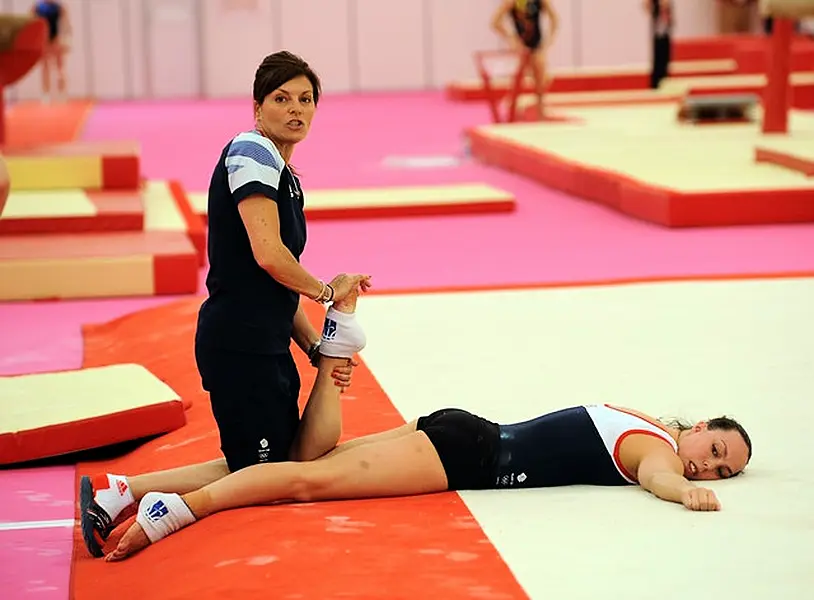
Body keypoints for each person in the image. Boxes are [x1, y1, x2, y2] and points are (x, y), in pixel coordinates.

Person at [79, 293, 753, 562]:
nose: (708, 467)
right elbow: (660, 475)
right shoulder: (653, 447)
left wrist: (684, 479)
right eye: (715, 450)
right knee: (305, 481)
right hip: (466, 456)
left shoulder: (641, 419)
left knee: (287, 460)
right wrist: (683, 493)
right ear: (697, 426)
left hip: (460, 432)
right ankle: (177, 510)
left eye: (721, 470)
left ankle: (124, 487)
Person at [490, 0, 559, 120]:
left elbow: (554, 19)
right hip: (521, 46)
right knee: (519, 79)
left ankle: (540, 110)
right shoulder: (511, 2)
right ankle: (511, 106)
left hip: (536, 46)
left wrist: (548, 42)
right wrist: (512, 40)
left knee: (542, 78)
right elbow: (495, 22)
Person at [32, 0, 71, 103]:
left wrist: (67, 40)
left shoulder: (59, 7)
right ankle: (46, 93)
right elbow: (31, 23)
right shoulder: (38, 7)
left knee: (60, 67)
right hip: (43, 39)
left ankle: (62, 92)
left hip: (56, 39)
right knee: (45, 67)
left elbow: (66, 25)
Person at [643, 0, 674, 89]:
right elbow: (647, 7)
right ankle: (657, 83)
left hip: (663, 31)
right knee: (658, 57)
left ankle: (662, 82)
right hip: (658, 30)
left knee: (663, 57)